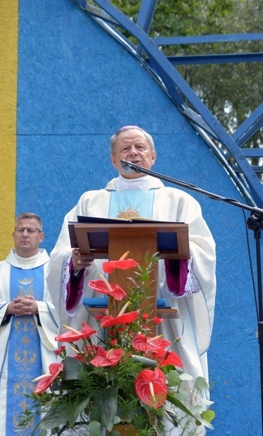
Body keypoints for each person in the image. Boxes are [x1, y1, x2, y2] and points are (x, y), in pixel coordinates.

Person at [47, 126, 216, 428]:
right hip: (102, 319)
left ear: (153, 156)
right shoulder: (90, 202)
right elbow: (62, 254)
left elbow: (203, 252)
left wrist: (181, 254)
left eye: (139, 148)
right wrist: (74, 264)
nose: (133, 153)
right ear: (113, 159)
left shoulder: (178, 201)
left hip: (161, 320)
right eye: (125, 149)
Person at [0, 212, 59, 435]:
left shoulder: (54, 273)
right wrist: (5, 309)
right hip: (5, 364)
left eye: (31, 230)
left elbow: (70, 311)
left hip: (44, 361)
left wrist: (40, 308)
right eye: (20, 230)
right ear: (13, 234)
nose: (25, 234)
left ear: (41, 236)